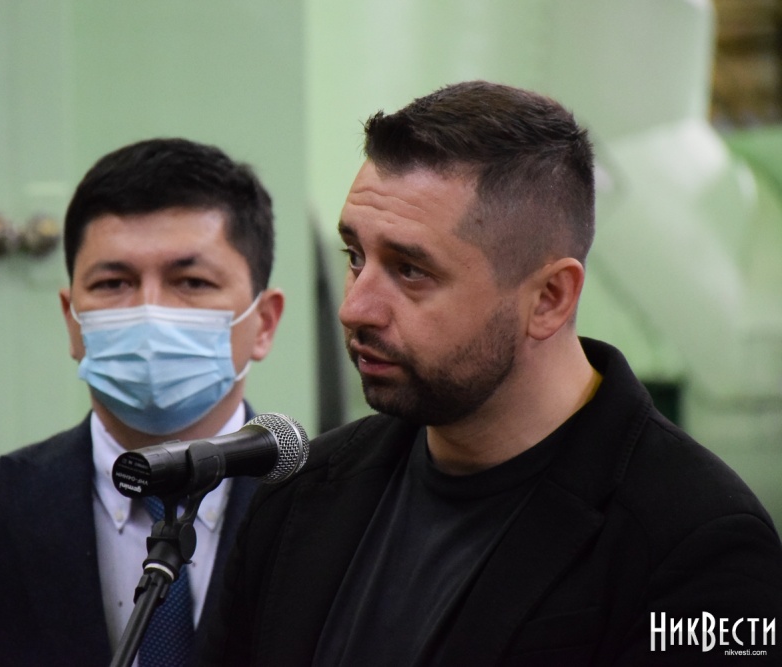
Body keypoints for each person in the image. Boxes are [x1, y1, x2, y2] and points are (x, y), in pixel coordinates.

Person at [201, 81, 782, 666]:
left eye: (410, 270)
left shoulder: (698, 545)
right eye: (356, 257)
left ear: (550, 298)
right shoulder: (298, 494)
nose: (355, 308)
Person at [0, 137, 285, 666]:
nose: (148, 313)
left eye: (191, 281)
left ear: (263, 323)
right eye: (113, 283)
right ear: (72, 321)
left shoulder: (339, 517)